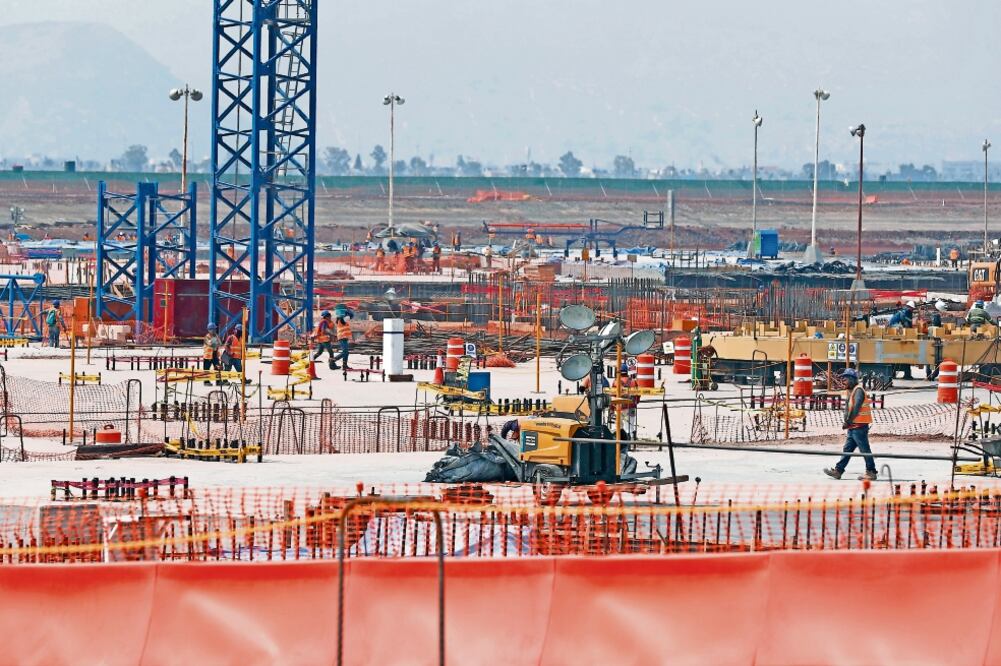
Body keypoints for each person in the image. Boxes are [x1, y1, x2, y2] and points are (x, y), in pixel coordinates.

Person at [824, 368, 877, 481]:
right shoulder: (851, 391)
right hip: (853, 427)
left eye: (845, 379)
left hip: (859, 427)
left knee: (864, 450)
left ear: (852, 379)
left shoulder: (858, 390)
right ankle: (838, 471)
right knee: (847, 449)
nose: (843, 381)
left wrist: (848, 422)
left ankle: (871, 472)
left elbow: (856, 408)